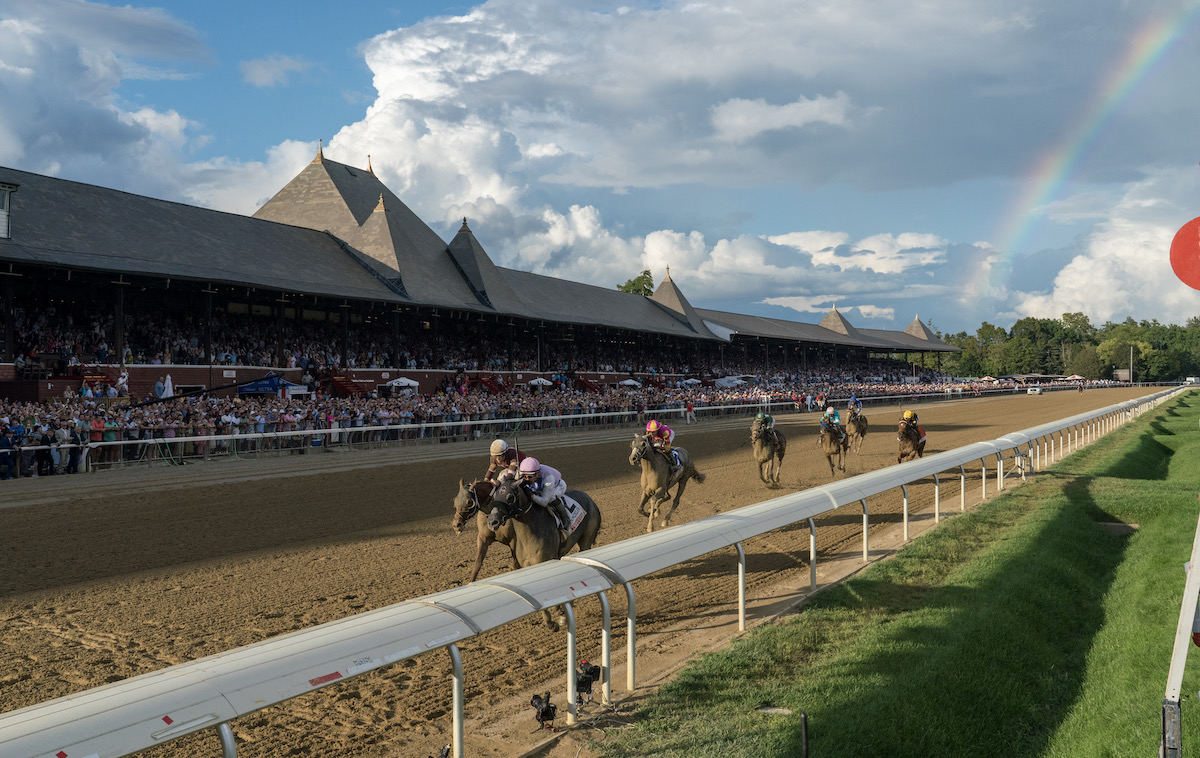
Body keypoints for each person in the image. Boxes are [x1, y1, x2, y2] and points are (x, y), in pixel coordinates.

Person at [517, 456, 572, 530]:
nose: (527, 479)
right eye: (524, 476)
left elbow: (544, 502)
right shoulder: (527, 473)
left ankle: (565, 517)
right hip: (539, 487)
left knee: (551, 498)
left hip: (557, 486)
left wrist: (532, 496)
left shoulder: (548, 477)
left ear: (537, 474)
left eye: (530, 476)